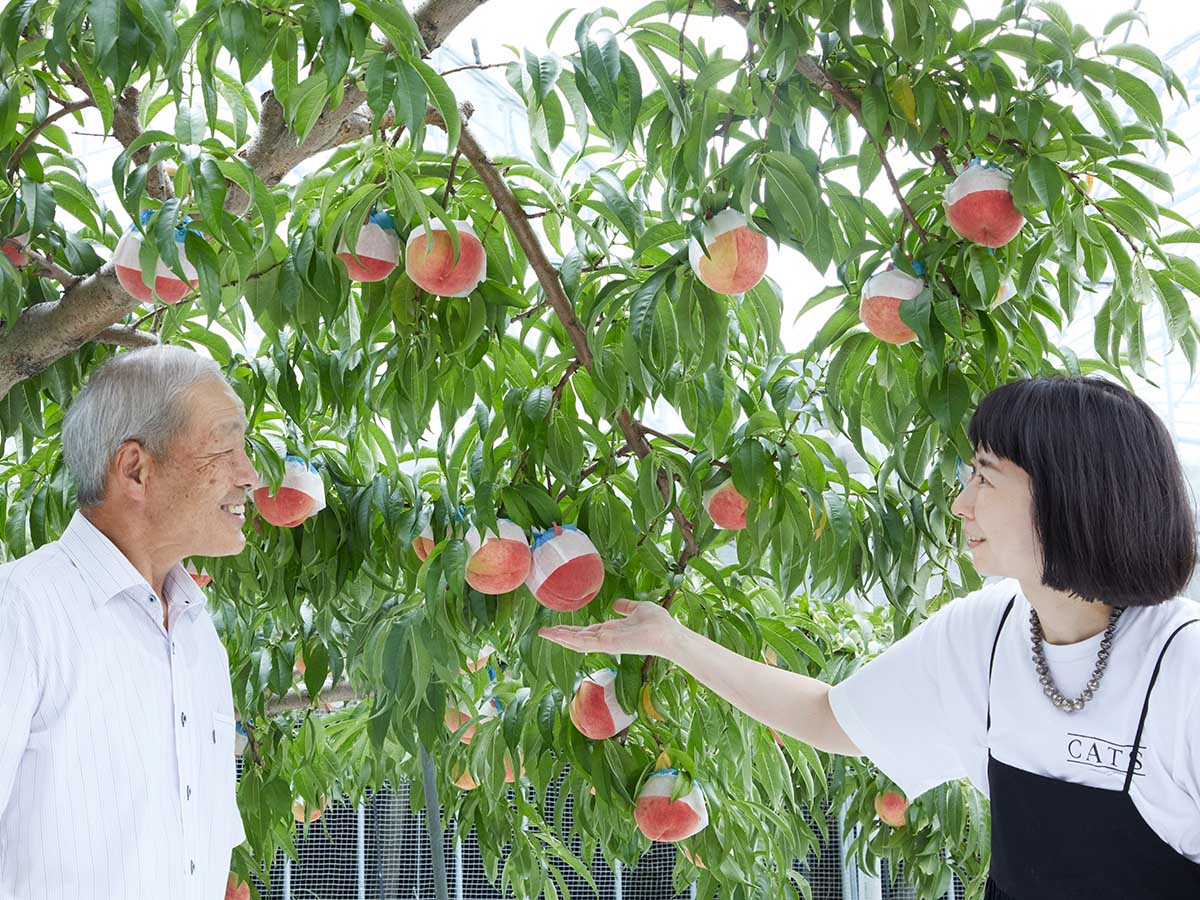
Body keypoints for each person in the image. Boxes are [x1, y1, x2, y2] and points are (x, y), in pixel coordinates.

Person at [539, 376, 1200, 899]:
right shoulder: (985, 634)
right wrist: (671, 640)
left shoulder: (1183, 668)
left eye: (985, 477)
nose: (960, 503)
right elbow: (830, 717)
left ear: (1068, 499)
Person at [0, 346, 257, 899]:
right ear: (136, 470)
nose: (250, 475)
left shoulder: (196, 631)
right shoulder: (20, 612)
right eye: (224, 446)